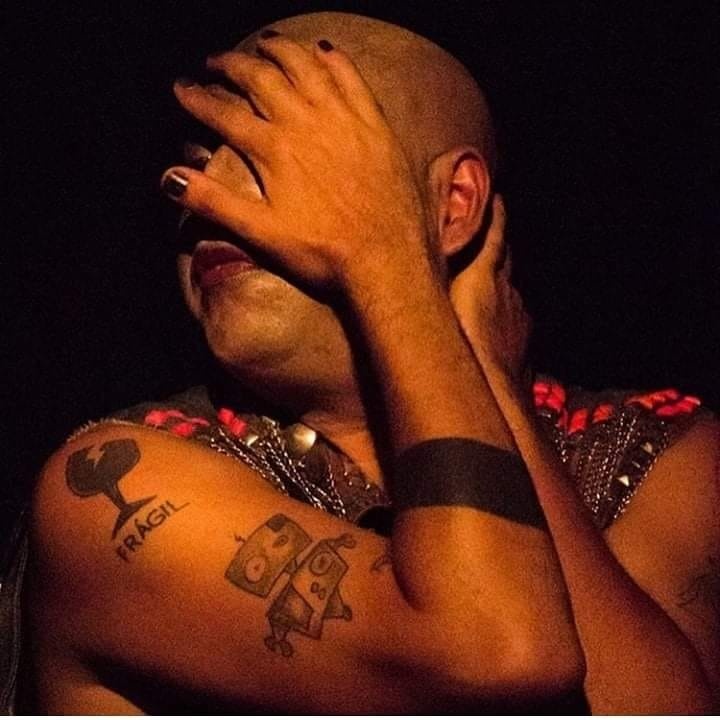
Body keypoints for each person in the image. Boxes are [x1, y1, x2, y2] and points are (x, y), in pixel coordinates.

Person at [21, 11, 718, 714]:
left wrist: (481, 374)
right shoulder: (110, 487)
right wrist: (404, 281)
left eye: (269, 154)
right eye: (198, 164)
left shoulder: (661, 453)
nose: (206, 198)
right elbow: (494, 649)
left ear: (454, 205)